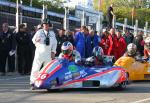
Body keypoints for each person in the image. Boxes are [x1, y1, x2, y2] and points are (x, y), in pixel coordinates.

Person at [30, 18, 57, 85]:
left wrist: (53, 52)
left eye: (47, 24)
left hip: (48, 54)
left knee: (47, 69)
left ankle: (46, 82)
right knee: (36, 68)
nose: (46, 26)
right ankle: (33, 82)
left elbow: (55, 43)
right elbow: (33, 40)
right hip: (39, 53)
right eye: (44, 24)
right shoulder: (39, 32)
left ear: (49, 25)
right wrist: (36, 40)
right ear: (42, 25)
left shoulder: (52, 33)